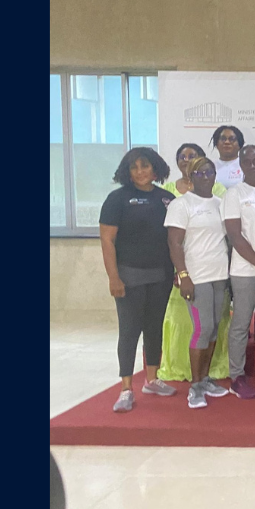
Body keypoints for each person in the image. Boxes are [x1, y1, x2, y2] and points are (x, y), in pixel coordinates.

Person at [98, 148, 179, 413]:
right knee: (130, 330)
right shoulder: (117, 199)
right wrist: (114, 277)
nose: (141, 172)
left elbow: (174, 240)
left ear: (156, 169)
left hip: (161, 275)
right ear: (127, 171)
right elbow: (107, 241)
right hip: (129, 276)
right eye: (135, 167)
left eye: (146, 166)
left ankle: (152, 380)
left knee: (154, 327)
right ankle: (125, 389)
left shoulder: (167, 198)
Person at [155, 146, 232, 389]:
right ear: (190, 176)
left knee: (214, 330)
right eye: (199, 173)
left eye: (209, 172)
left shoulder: (220, 203)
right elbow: (174, 242)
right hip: (196, 276)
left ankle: (206, 378)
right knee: (202, 328)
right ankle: (195, 385)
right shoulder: (182, 204)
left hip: (220, 275)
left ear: (214, 176)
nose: (205, 176)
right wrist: (183, 275)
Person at [221, 144, 255, 399]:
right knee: (241, 323)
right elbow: (235, 235)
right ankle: (237, 376)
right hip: (244, 268)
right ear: (240, 166)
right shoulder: (234, 194)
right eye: (248, 162)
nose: (253, 166)